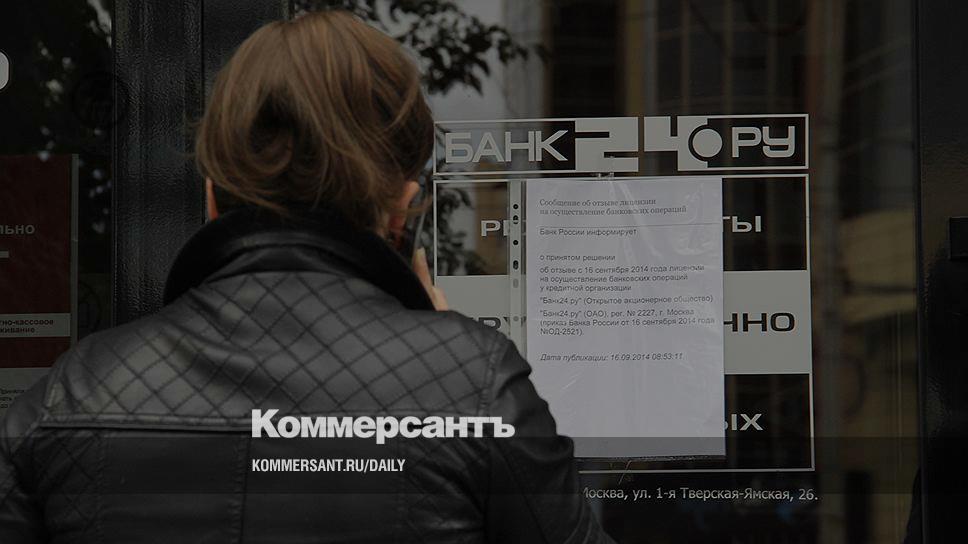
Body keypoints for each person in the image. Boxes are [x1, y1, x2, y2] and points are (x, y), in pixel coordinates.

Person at [0, 10, 613, 543]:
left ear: (210, 199)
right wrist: (444, 352)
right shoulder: (476, 385)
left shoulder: (70, 394)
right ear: (402, 210)